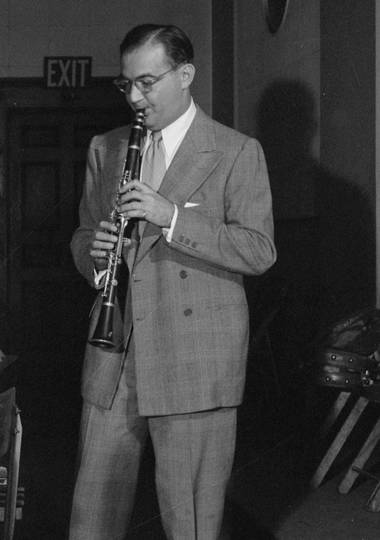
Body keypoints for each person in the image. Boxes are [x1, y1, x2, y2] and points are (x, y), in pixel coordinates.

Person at [68, 24, 276, 539]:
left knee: (191, 523)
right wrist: (94, 257)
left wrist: (172, 217)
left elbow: (258, 250)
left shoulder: (235, 152)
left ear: (186, 75)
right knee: (91, 519)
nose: (135, 98)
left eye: (147, 82)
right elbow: (80, 234)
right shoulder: (106, 148)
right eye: (126, 85)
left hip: (193, 361)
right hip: (114, 354)